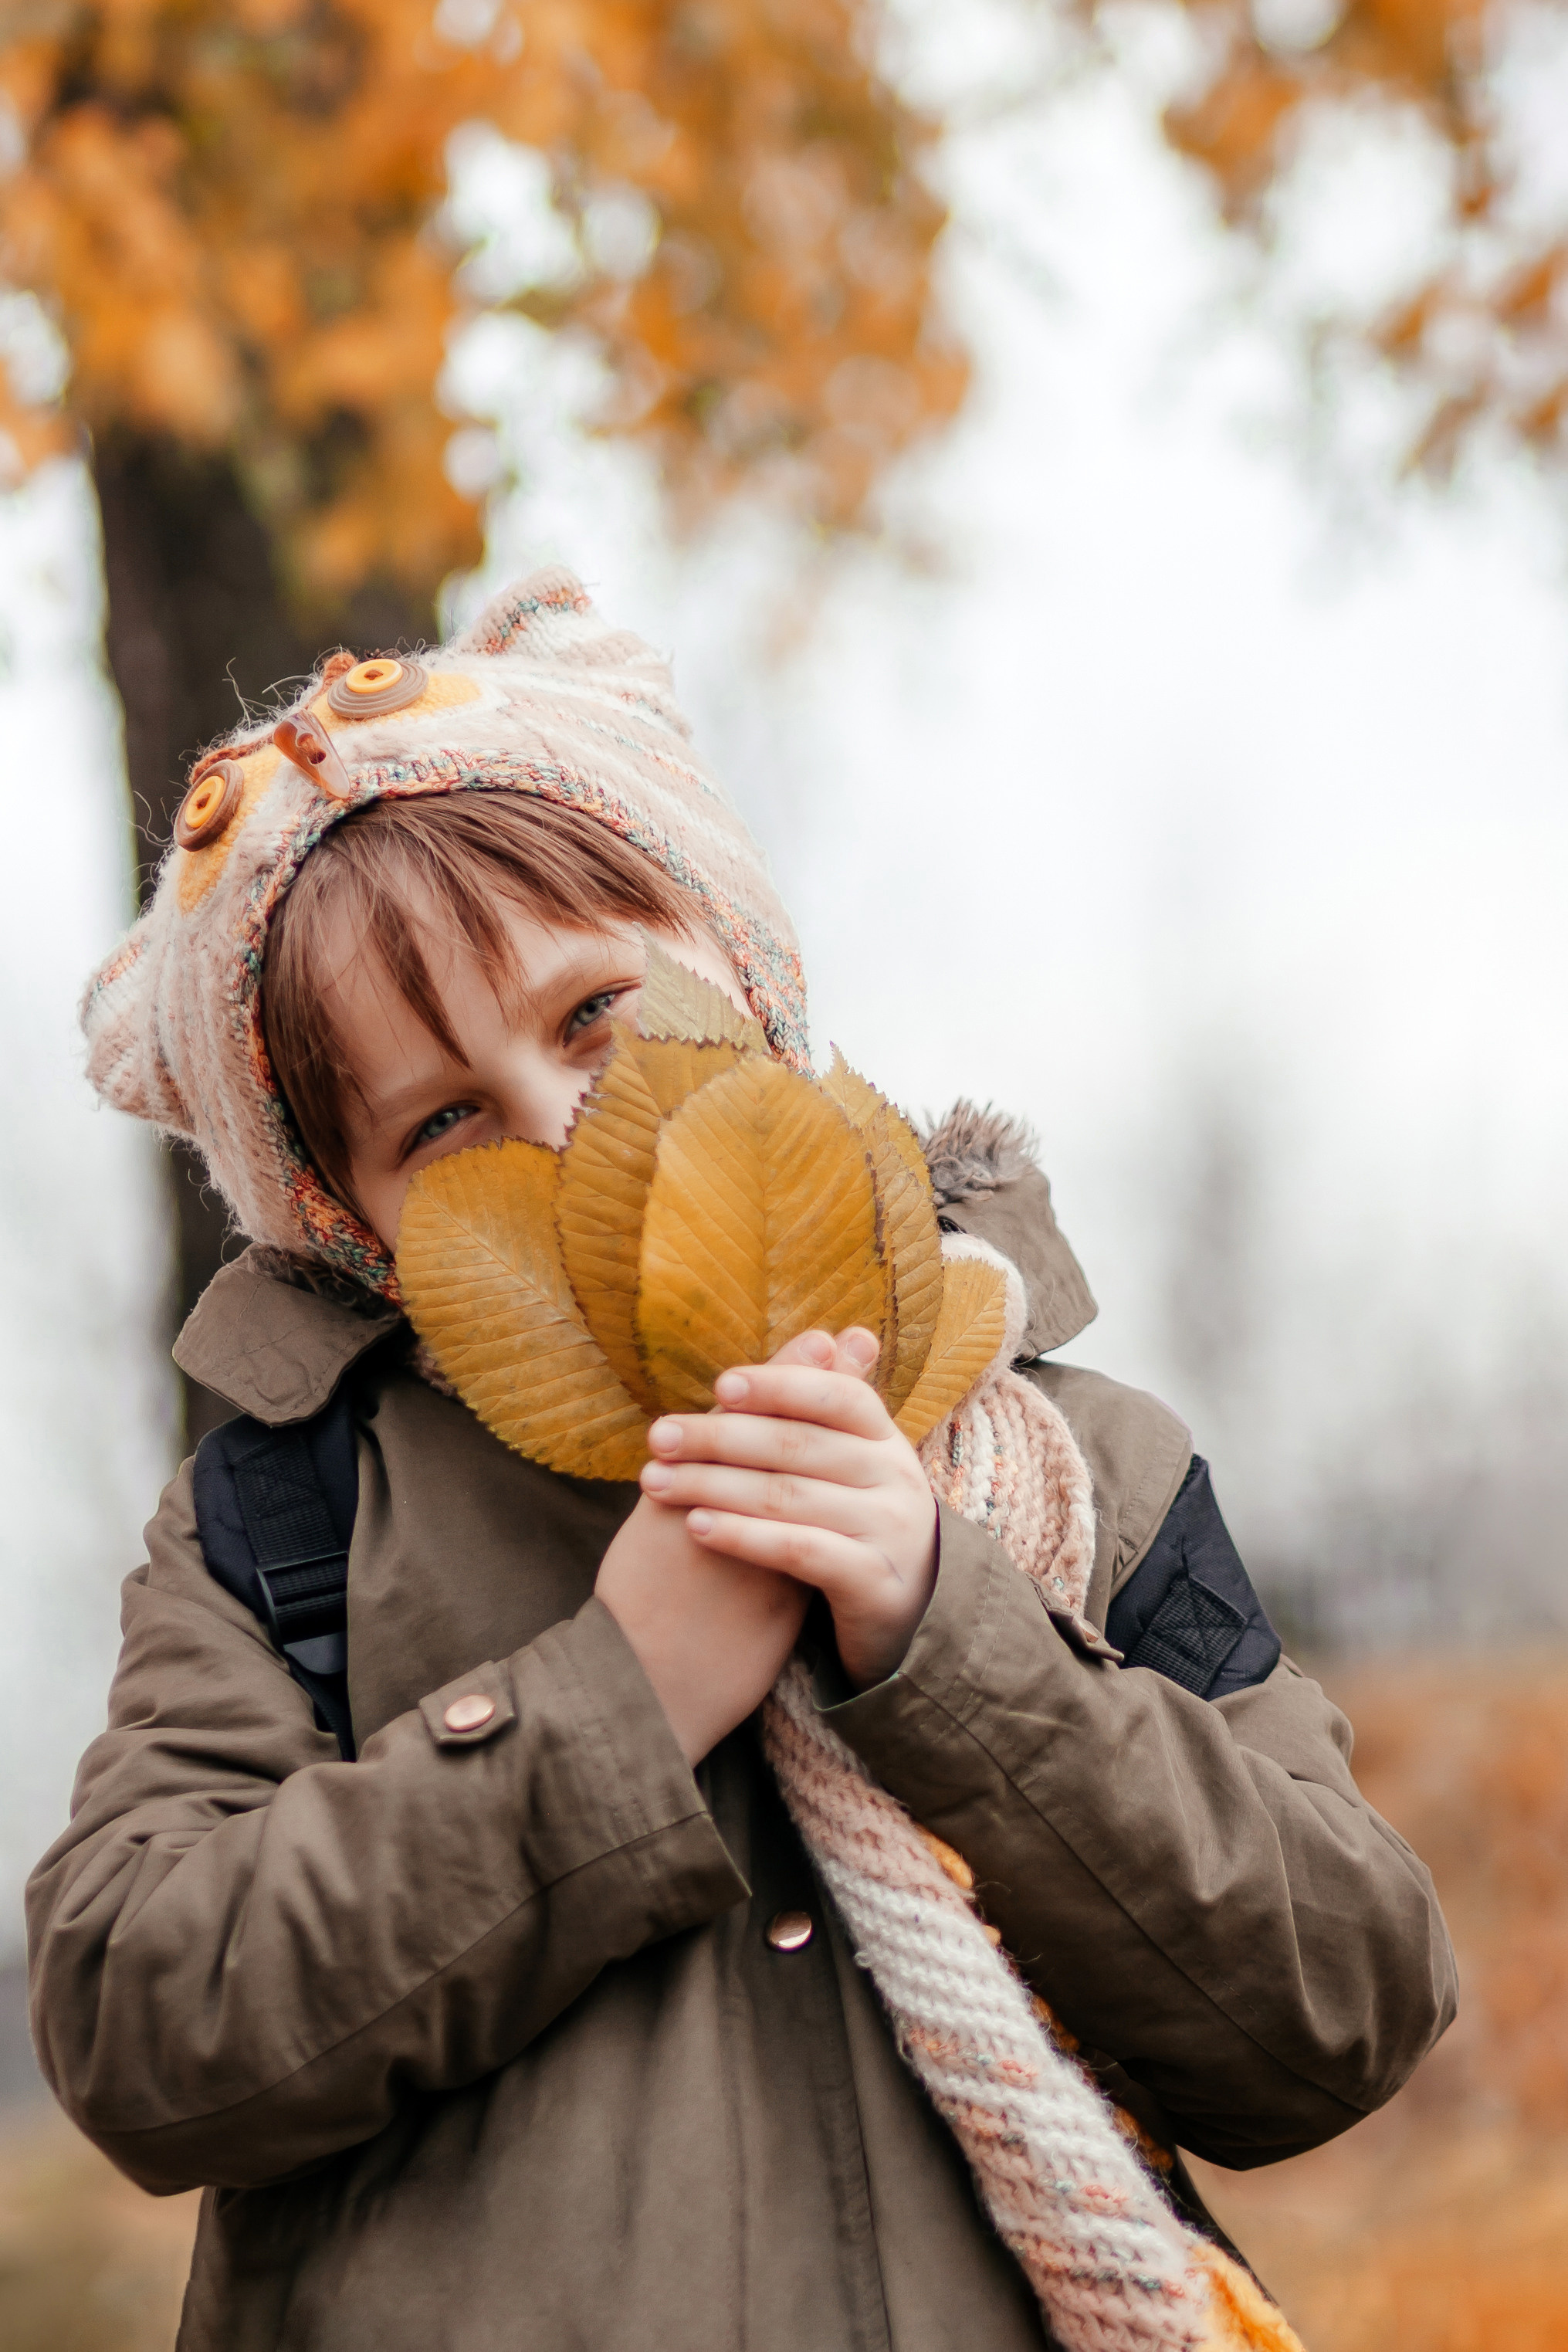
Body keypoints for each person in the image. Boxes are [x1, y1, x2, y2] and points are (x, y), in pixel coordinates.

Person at [28, 569, 1455, 2352]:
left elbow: (1338, 2003)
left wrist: (950, 1635)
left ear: (743, 972)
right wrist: (608, 1706)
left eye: (592, 1013)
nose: (564, 1125)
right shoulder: (285, 1519)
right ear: (352, 1222)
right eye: (442, 1118)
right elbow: (133, 2018)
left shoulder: (1081, 1462)